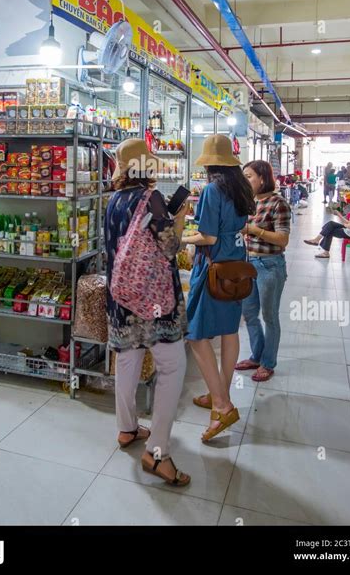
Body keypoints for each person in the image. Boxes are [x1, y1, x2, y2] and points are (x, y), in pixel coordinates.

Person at [105, 138, 190, 487]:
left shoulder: (114, 200)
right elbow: (171, 246)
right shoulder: (150, 199)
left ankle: (127, 429)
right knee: (172, 366)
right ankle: (158, 453)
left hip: (122, 296)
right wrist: (180, 218)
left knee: (127, 361)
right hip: (154, 300)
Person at [182, 135, 255, 442]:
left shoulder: (213, 189)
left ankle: (223, 405)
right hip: (236, 270)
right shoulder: (242, 188)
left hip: (213, 270)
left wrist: (183, 239)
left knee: (196, 336)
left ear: (211, 164)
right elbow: (236, 228)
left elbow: (208, 237)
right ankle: (219, 393)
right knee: (228, 333)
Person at [235, 161, 291, 382]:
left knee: (269, 316)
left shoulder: (279, 203)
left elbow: (283, 239)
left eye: (249, 176)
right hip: (248, 265)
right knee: (249, 314)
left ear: (262, 178)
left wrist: (254, 230)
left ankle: (268, 363)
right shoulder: (249, 203)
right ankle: (256, 356)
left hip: (270, 266)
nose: (245, 181)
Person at [304, 193, 350, 258]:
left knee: (329, 230)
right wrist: (339, 214)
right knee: (331, 224)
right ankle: (317, 241)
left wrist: (344, 225)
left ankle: (321, 246)